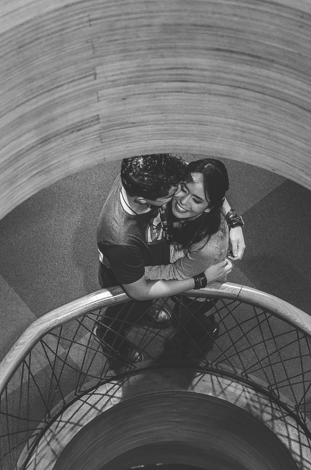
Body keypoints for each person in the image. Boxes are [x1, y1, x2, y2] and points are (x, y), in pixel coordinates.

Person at [95, 154, 232, 370]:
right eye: (176, 192)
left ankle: (144, 313)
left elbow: (203, 181)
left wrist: (233, 218)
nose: (179, 198)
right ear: (144, 199)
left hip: (151, 268)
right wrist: (200, 280)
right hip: (129, 277)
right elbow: (139, 290)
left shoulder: (143, 178)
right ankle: (111, 339)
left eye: (193, 198)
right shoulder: (121, 238)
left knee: (145, 308)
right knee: (120, 316)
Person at [144, 158, 244, 360]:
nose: (182, 201)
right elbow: (204, 187)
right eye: (183, 188)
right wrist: (234, 220)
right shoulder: (194, 189)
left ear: (208, 207)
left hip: (197, 291)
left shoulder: (209, 245)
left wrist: (138, 271)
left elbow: (177, 272)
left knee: (185, 320)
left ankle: (204, 333)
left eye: (196, 200)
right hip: (188, 271)